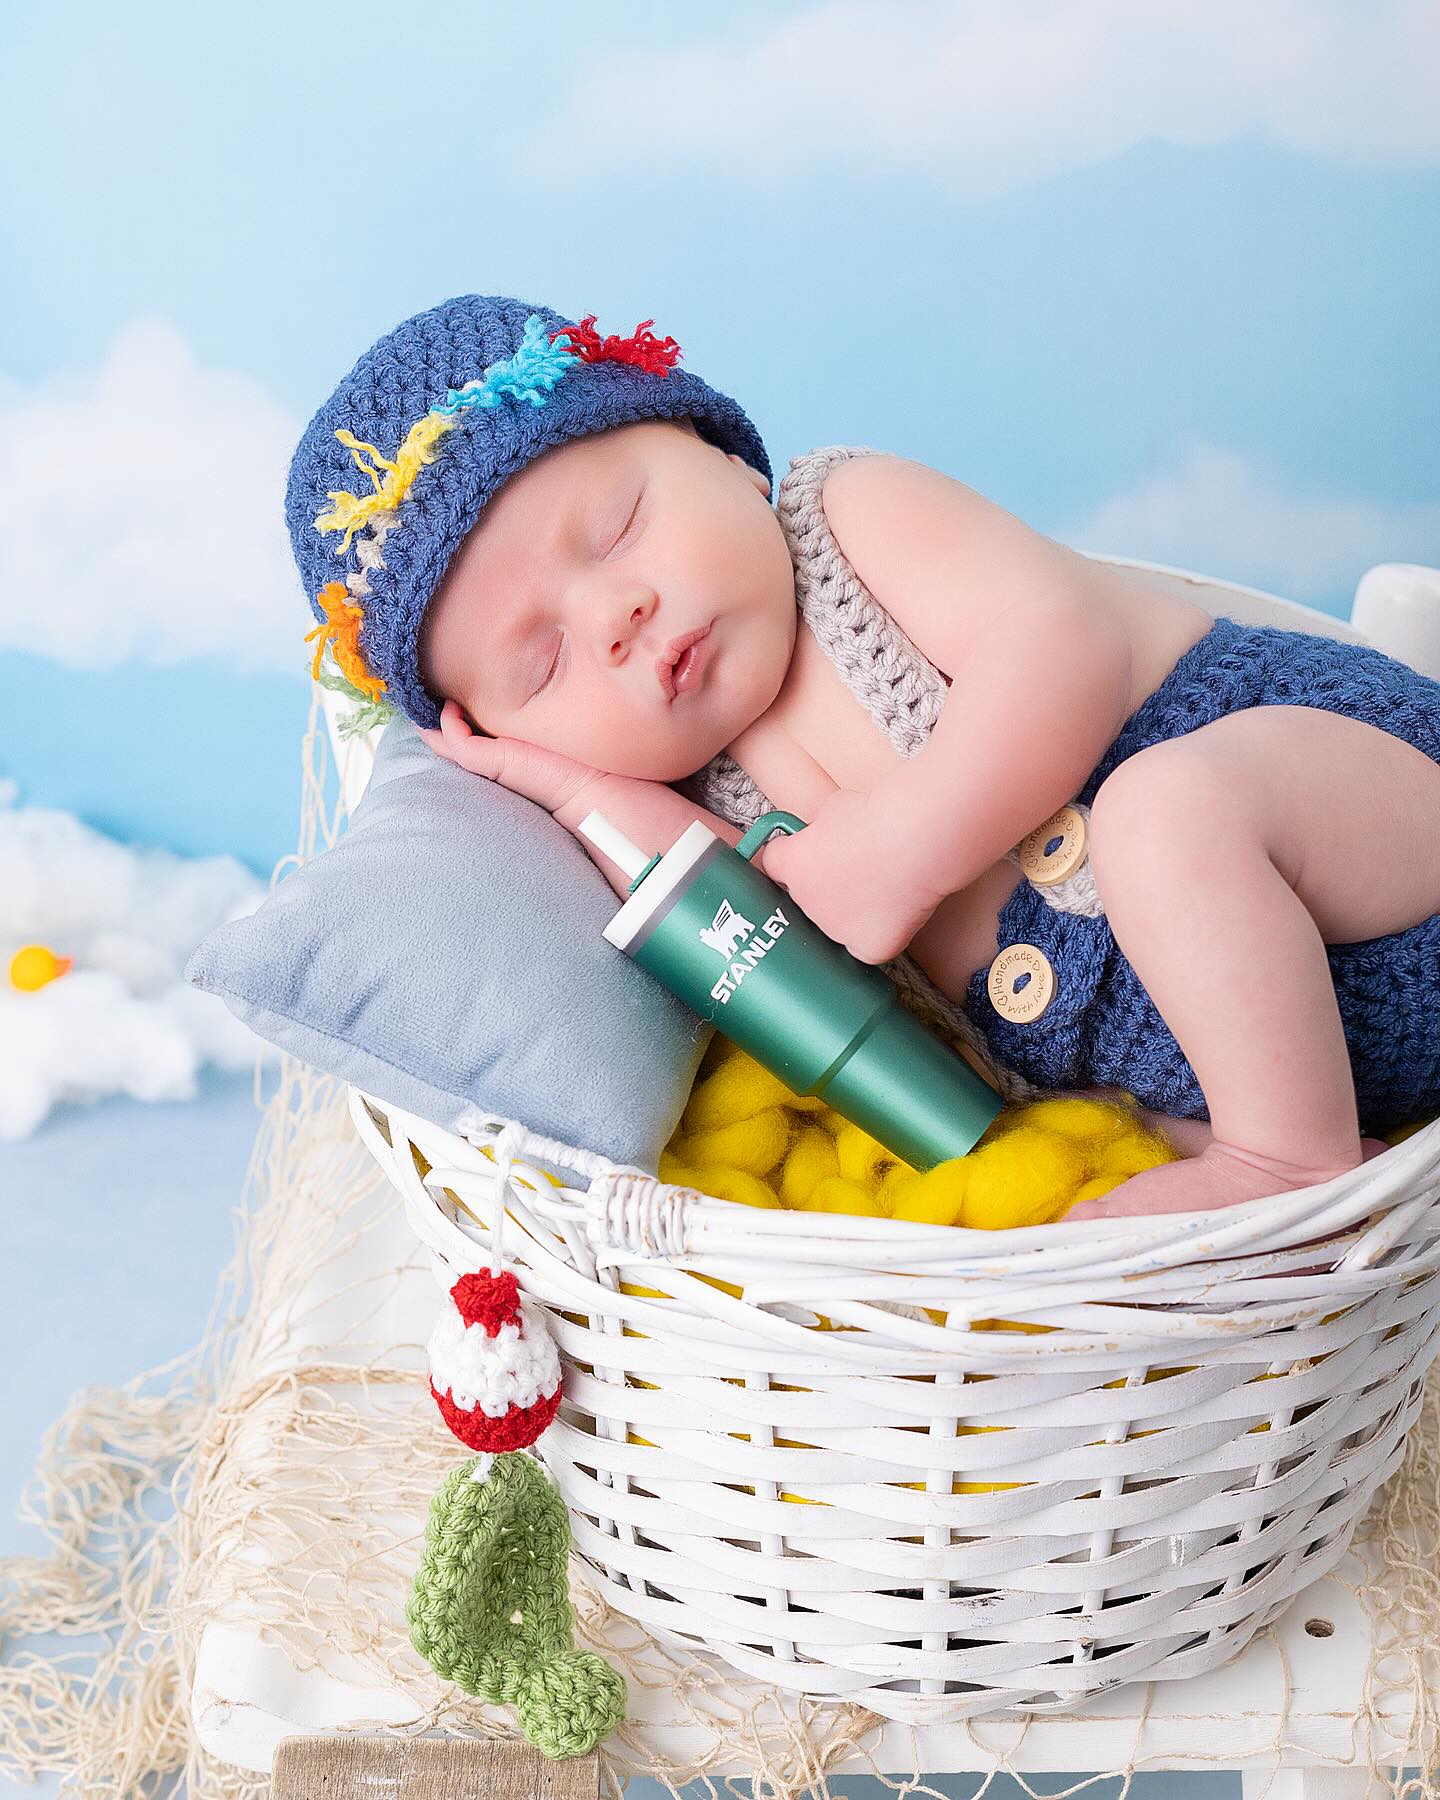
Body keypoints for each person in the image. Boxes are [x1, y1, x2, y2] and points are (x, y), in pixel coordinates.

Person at [286, 293, 1440, 1218]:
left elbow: (1064, 646)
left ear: (722, 453)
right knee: (1104, 1171)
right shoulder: (699, 782)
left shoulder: (848, 519)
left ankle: (1292, 1168)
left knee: (1166, 813)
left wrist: (909, 838)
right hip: (1291, 1051)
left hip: (1362, 833)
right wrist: (577, 789)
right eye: (543, 666)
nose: (615, 618)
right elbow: (719, 913)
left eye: (616, 528)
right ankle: (1288, 1141)